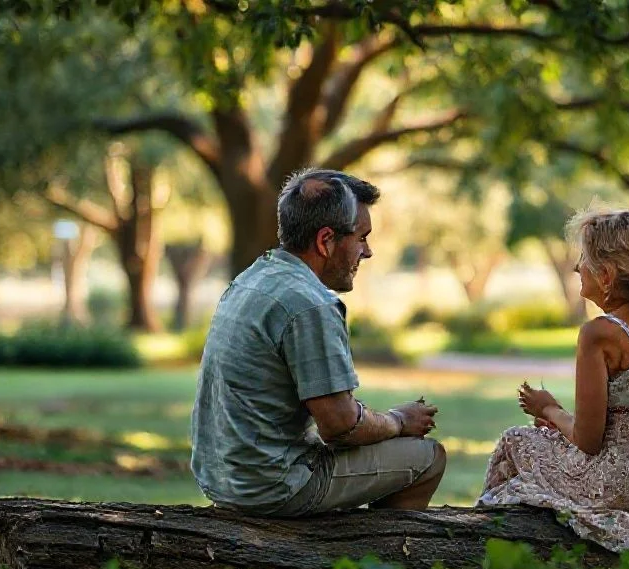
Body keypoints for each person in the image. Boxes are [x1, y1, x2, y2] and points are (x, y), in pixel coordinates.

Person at [191, 168, 446, 518]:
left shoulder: (254, 277)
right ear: (326, 240)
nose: (368, 252)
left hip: (223, 478)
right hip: (272, 487)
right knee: (428, 457)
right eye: (361, 237)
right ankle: (376, 560)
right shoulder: (309, 303)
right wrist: (398, 421)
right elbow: (340, 426)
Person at [476, 207, 629, 559]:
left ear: (606, 275)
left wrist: (547, 407)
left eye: (583, 258)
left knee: (515, 441)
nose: (577, 267)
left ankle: (494, 555)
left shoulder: (600, 333)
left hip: (625, 487)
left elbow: (588, 441)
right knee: (544, 439)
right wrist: (558, 422)